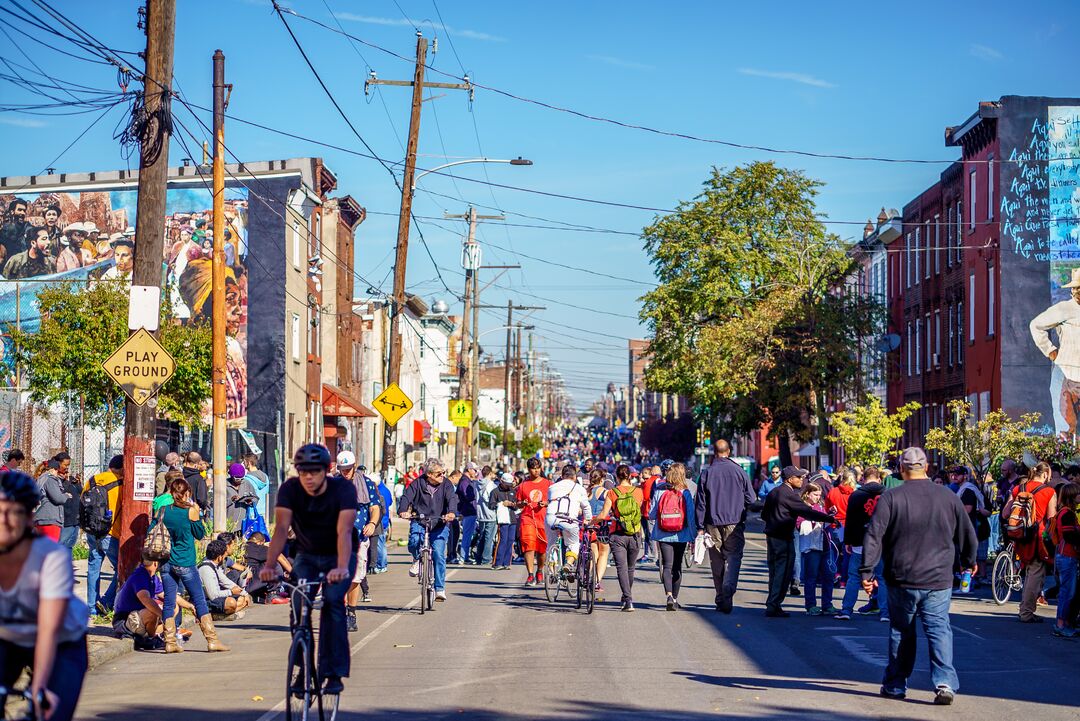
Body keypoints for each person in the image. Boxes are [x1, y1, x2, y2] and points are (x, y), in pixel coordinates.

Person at [860, 447, 977, 705]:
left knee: (902, 631)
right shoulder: (948, 497)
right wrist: (968, 563)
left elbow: (874, 536)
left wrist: (867, 571)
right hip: (938, 577)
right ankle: (944, 682)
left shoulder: (891, 498)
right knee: (938, 630)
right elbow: (967, 535)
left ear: (902, 468)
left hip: (902, 576)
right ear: (926, 467)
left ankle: (895, 684)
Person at [261, 444, 357, 695]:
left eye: (314, 471)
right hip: (308, 556)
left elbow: (345, 531)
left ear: (327, 470)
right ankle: (303, 669)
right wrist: (270, 564)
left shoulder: (343, 489)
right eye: (303, 471)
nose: (309, 477)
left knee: (333, 603)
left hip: (340, 554)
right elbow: (281, 529)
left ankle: (333, 672)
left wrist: (341, 567)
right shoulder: (290, 490)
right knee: (298, 607)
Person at [0, 470, 89, 721]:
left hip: (61, 642)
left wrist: (39, 689)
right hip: (8, 639)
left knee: (52, 711)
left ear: (29, 517)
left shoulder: (50, 557)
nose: (4, 520)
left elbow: (47, 630)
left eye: (14, 512)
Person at [159, 478, 229, 654]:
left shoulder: (162, 510)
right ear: (187, 493)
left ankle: (170, 641)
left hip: (166, 562)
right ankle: (212, 640)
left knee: (169, 600)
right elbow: (199, 534)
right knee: (199, 600)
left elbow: (152, 529)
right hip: (185, 561)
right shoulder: (190, 511)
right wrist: (196, 513)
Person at [761, 466, 835, 618]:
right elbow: (807, 511)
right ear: (789, 479)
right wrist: (829, 518)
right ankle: (774, 604)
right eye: (799, 477)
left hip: (772, 536)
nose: (802, 480)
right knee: (783, 571)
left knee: (774, 571)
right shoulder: (789, 494)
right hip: (783, 537)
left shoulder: (774, 492)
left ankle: (773, 603)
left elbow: (764, 514)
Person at [694, 441, 756, 613]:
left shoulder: (706, 473)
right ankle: (728, 588)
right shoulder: (739, 472)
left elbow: (701, 503)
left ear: (715, 453)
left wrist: (700, 526)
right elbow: (751, 499)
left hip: (712, 523)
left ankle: (721, 595)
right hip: (734, 523)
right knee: (733, 557)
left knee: (717, 560)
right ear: (728, 451)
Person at [1004, 461, 1058, 623]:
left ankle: (1025, 609)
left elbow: (1006, 513)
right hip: (1037, 537)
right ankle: (1026, 612)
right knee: (1035, 574)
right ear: (1046, 474)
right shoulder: (1049, 491)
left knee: (1028, 572)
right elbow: (1052, 519)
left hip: (1020, 535)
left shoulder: (1018, 488)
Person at [397, 458, 457, 601]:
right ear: (429, 474)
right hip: (420, 520)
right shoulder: (417, 483)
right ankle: (417, 559)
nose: (442, 475)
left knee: (438, 553)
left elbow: (452, 499)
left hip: (440, 522)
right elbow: (406, 497)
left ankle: (440, 589)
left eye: (444, 472)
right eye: (439, 473)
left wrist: (451, 512)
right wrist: (403, 510)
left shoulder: (447, 484)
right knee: (414, 541)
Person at [837, 466, 888, 621]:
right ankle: (885, 612)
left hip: (860, 541)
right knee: (882, 577)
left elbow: (850, 520)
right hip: (881, 542)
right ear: (879, 478)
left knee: (853, 576)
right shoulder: (887, 494)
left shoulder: (856, 495)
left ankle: (846, 610)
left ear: (863, 479)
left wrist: (848, 541)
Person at [337, 452, 381, 629]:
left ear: (354, 466)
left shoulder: (367, 483)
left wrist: (372, 523)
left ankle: (351, 612)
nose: (345, 472)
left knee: (355, 577)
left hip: (359, 535)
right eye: (342, 469)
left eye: (348, 469)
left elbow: (375, 507)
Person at [113, 554, 192, 651]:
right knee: (152, 611)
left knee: (173, 605)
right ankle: (154, 637)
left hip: (140, 617)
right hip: (125, 620)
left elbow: (170, 596)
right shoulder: (140, 576)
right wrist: (164, 617)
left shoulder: (153, 577)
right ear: (155, 563)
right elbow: (146, 601)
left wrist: (191, 606)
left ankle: (165, 631)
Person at [595, 464, 644, 612]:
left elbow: (604, 514)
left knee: (621, 568)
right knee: (630, 568)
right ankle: (626, 596)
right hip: (635, 534)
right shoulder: (638, 492)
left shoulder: (612, 492)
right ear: (630, 476)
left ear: (617, 476)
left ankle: (628, 600)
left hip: (617, 534)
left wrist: (592, 521)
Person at [649, 462, 696, 611]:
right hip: (681, 534)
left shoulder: (659, 491)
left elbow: (651, 514)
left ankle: (668, 595)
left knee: (667, 566)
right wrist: (693, 535)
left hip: (663, 534)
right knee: (677, 566)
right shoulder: (685, 492)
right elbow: (690, 516)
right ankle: (675, 598)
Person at [84, 455, 124, 616]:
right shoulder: (120, 484)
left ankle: (91, 607)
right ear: (122, 468)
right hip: (111, 532)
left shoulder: (93, 479)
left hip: (92, 531)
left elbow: (83, 501)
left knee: (93, 568)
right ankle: (106, 602)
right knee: (121, 569)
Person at [545, 464, 593, 574]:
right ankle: (568, 564)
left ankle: (552, 571)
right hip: (569, 519)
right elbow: (585, 507)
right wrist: (588, 519)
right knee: (573, 544)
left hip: (551, 518)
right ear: (575, 477)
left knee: (551, 543)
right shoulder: (579, 489)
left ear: (562, 476)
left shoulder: (552, 487)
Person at [798, 482, 836, 616]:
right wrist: (816, 521)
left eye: (819, 495)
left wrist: (829, 516)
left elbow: (825, 521)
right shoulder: (802, 508)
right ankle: (811, 605)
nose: (817, 497)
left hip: (825, 545)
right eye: (815, 494)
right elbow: (799, 524)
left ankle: (827, 604)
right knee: (811, 577)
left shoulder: (820, 507)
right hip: (811, 547)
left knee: (828, 576)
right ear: (807, 494)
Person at [516, 457, 551, 587]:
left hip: (543, 520)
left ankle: (540, 571)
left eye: (537, 468)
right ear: (528, 469)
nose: (536, 471)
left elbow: (554, 501)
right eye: (533, 468)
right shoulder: (523, 485)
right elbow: (518, 504)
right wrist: (522, 503)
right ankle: (530, 575)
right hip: (527, 519)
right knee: (529, 546)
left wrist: (547, 503)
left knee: (542, 549)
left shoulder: (548, 484)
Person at [1051, 482, 1080, 638]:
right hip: (1067, 556)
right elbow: (1069, 535)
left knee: (1068, 591)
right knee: (1067, 592)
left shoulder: (1064, 512)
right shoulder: (1067, 514)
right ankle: (1061, 624)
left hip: (1065, 555)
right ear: (1072, 496)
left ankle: (1065, 623)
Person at [199, 539, 252, 620]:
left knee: (243, 599)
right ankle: (216, 615)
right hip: (206, 600)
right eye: (224, 557)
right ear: (220, 557)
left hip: (216, 596)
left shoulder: (215, 566)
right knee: (231, 603)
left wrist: (245, 593)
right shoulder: (206, 569)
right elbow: (213, 595)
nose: (224, 559)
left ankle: (221, 616)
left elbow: (226, 581)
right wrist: (231, 592)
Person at [954, 467, 991, 585]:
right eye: (953, 474)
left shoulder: (968, 490)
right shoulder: (963, 489)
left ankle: (969, 583)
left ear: (965, 476)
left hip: (972, 526)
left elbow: (968, 509)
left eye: (958, 474)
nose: (955, 476)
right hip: (970, 526)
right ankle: (970, 581)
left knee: (969, 556)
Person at [33, 458, 69, 542]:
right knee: (51, 550)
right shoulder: (50, 479)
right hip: (49, 519)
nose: (58, 473)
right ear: (53, 469)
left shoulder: (41, 479)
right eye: (57, 471)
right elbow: (58, 498)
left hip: (41, 519)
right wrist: (66, 496)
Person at [490, 472, 518, 570]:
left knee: (510, 541)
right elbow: (491, 505)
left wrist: (513, 504)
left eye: (510, 485)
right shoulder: (495, 492)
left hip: (513, 519)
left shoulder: (513, 491)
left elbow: (516, 505)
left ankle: (507, 563)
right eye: (507, 484)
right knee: (502, 540)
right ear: (501, 481)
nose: (508, 487)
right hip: (502, 519)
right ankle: (498, 563)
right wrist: (501, 503)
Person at [472, 466, 498, 566]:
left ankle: (479, 557)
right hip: (490, 514)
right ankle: (486, 558)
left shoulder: (477, 484)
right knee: (489, 537)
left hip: (481, 513)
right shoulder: (491, 485)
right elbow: (490, 499)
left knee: (482, 536)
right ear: (490, 473)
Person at [456, 462, 480, 564]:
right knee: (467, 535)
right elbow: (468, 496)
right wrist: (476, 494)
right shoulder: (465, 481)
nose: (476, 472)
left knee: (469, 535)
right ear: (469, 469)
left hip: (469, 510)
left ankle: (465, 556)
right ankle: (463, 557)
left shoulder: (467, 481)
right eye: (475, 470)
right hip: (468, 511)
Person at [58, 456, 81, 551]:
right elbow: (60, 495)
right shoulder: (55, 480)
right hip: (66, 519)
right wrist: (66, 481)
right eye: (65, 465)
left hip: (75, 518)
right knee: (61, 544)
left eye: (68, 465)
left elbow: (80, 491)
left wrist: (76, 482)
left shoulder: (71, 479)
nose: (67, 468)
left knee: (70, 544)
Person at [375, 470, 394, 572]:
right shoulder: (386, 490)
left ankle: (381, 565)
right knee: (382, 544)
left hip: (380, 520)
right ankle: (383, 564)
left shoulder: (378, 492)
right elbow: (390, 502)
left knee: (379, 544)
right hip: (385, 519)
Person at [243, 453, 271, 520]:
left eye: (244, 462)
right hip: (264, 511)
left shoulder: (247, 479)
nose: (243, 464)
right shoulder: (265, 477)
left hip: (252, 512)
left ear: (249, 463)